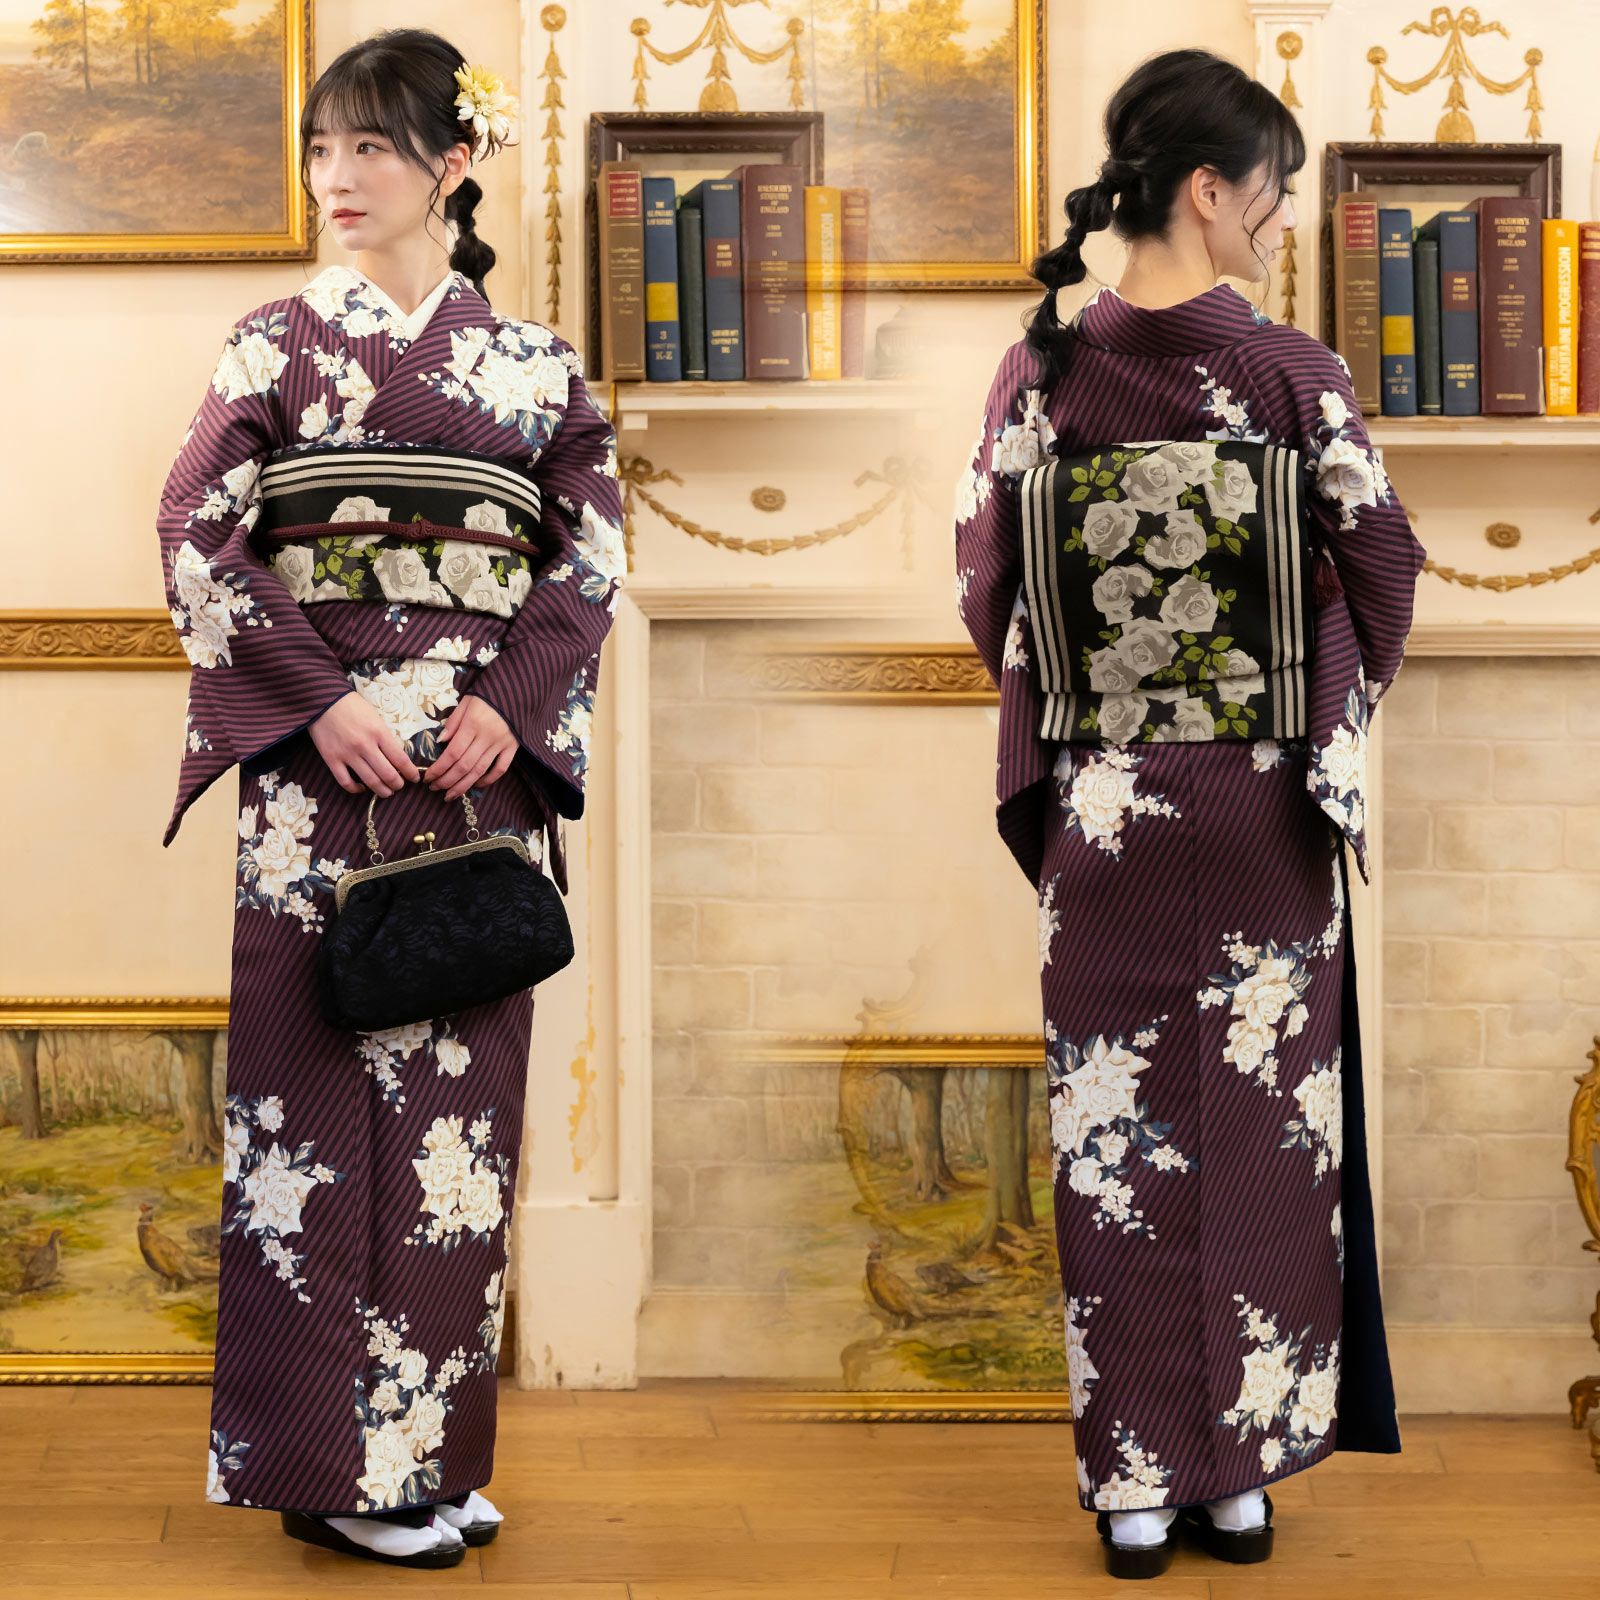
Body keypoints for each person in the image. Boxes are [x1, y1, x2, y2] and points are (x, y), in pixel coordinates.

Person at [952, 48, 1424, 1581]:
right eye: (1274, 193)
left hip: (1108, 806)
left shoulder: (1043, 369)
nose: (1281, 223)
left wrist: (1095, 699)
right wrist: (1322, 689)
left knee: (1120, 1126)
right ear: (1213, 191)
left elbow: (986, 580)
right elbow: (1385, 561)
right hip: (1266, 797)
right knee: (1264, 1128)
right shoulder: (1294, 375)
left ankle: (1137, 1485)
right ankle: (1240, 1480)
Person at [159, 28, 624, 1570]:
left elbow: (589, 555)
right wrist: (318, 695)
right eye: (322, 147)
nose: (337, 177)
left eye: (369, 145)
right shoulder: (273, 345)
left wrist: (512, 703)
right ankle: (334, 1465)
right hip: (321, 776)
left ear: (453, 161)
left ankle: (428, 1449)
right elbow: (196, 530)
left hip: (477, 777)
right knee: (313, 1118)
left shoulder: (536, 367)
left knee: (454, 1131)